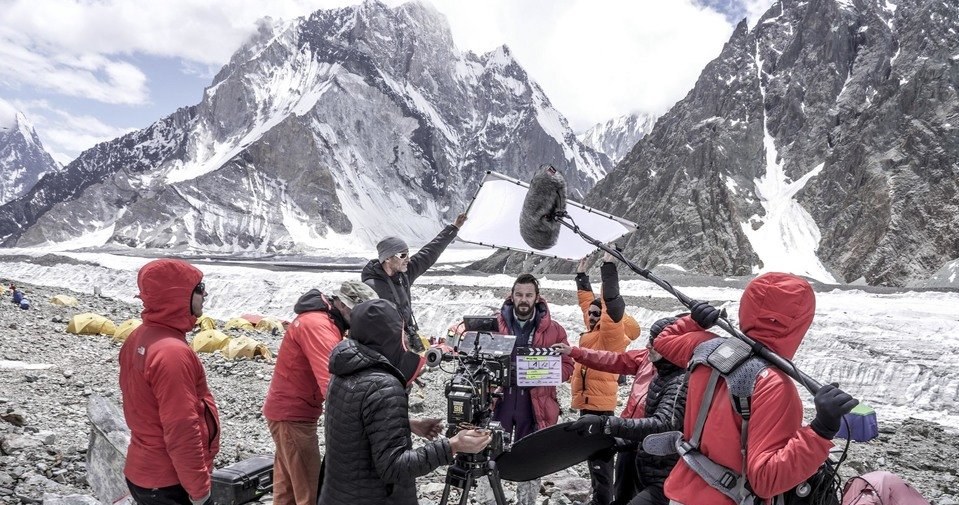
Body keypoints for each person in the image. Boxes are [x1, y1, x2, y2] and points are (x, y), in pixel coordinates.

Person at [652, 272, 858, 504]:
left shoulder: (704, 347)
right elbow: (765, 481)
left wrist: (694, 321)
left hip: (682, 491)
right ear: (800, 323)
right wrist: (821, 431)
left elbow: (662, 341)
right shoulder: (774, 385)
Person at [318, 299, 492, 505]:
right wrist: (453, 445)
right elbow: (394, 468)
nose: (406, 338)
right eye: (401, 331)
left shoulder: (344, 370)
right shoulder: (384, 385)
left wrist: (405, 424)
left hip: (339, 494)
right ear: (388, 334)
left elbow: (354, 424)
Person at [262, 280, 379, 505]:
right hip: (294, 416)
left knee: (288, 490)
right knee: (311, 493)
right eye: (360, 314)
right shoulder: (319, 327)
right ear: (344, 306)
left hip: (287, 413)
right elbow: (333, 383)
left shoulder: (320, 321)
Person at [118, 259, 219, 505]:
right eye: (198, 287)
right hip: (169, 482)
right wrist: (200, 492)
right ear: (178, 295)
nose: (205, 293)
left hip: (144, 473)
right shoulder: (171, 351)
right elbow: (181, 428)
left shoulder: (138, 336)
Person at [556, 316, 687, 505]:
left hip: (655, 455)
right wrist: (575, 352)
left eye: (656, 342)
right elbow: (611, 359)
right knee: (622, 494)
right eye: (650, 340)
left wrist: (606, 424)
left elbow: (663, 424)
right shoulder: (647, 359)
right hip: (628, 439)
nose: (649, 345)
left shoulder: (680, 381)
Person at [488, 273, 574, 505]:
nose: (523, 299)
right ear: (512, 296)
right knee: (489, 451)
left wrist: (547, 373)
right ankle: (490, 499)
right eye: (519, 295)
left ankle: (526, 501)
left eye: (528, 295)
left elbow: (568, 366)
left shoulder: (554, 329)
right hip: (501, 401)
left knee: (530, 457)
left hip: (534, 404)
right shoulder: (495, 325)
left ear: (537, 297)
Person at [570, 254, 642, 505]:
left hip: (599, 408)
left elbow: (611, 305)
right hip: (588, 403)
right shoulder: (593, 329)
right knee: (593, 458)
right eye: (589, 314)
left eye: (595, 314)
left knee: (600, 459)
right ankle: (599, 498)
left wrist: (608, 267)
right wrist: (581, 276)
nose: (589, 316)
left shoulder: (609, 336)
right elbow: (587, 304)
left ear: (605, 317)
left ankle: (602, 501)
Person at [361, 213, 467, 347]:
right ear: (387, 258)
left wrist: (454, 228)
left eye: (408, 254)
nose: (408, 259)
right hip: (385, 346)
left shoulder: (404, 275)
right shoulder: (371, 287)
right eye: (403, 255)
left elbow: (429, 252)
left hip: (405, 342)